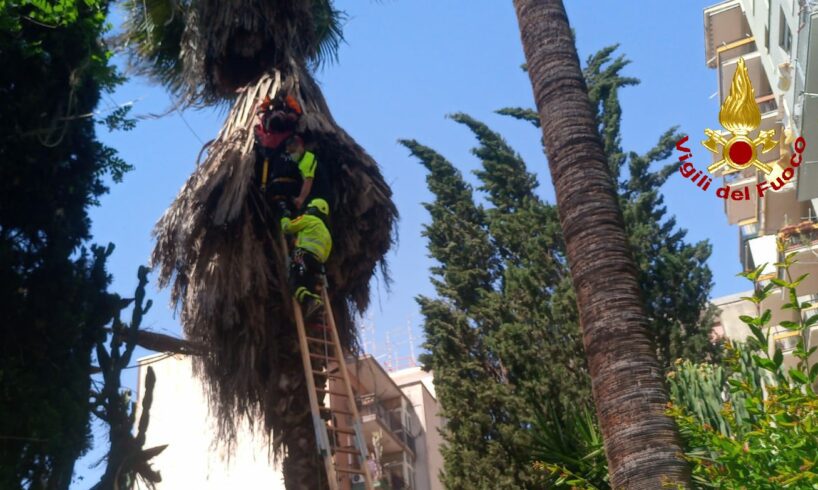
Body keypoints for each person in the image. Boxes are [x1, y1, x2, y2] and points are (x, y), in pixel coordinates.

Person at [280, 198, 332, 321]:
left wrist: (285, 217)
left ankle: (310, 301)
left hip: (302, 256)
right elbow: (326, 255)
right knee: (310, 287)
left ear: (313, 209)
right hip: (318, 264)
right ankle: (316, 311)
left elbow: (287, 228)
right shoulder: (327, 233)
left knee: (295, 283)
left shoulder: (308, 219)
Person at [254, 92, 302, 199]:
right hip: (287, 184)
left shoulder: (266, 139)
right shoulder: (289, 136)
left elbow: (260, 116)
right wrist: (286, 97)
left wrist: (268, 100)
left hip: (273, 184)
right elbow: (297, 112)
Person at [284, 134, 331, 211]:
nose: (292, 155)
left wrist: (301, 199)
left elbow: (308, 180)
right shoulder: (299, 162)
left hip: (320, 198)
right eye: (289, 153)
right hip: (313, 197)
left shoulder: (308, 159)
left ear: (300, 147)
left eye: (293, 151)